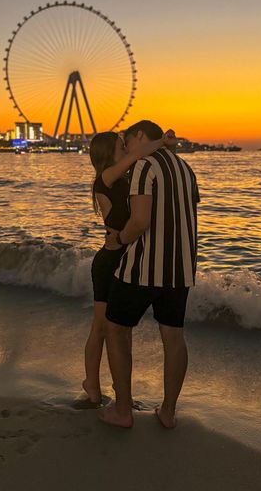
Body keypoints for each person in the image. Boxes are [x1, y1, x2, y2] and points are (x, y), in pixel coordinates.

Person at [100, 120, 200, 428]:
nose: (128, 148)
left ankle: (122, 410)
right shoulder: (185, 168)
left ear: (140, 136)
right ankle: (168, 412)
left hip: (143, 268)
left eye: (128, 141)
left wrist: (119, 239)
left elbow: (141, 221)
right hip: (181, 269)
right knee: (173, 337)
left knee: (115, 329)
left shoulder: (144, 167)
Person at [83, 130, 174, 405]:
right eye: (120, 146)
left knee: (121, 330)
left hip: (129, 256)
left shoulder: (125, 178)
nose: (125, 149)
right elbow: (137, 154)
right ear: (108, 154)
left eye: (124, 146)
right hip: (109, 260)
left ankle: (121, 390)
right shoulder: (105, 180)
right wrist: (161, 141)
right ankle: (92, 384)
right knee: (100, 327)